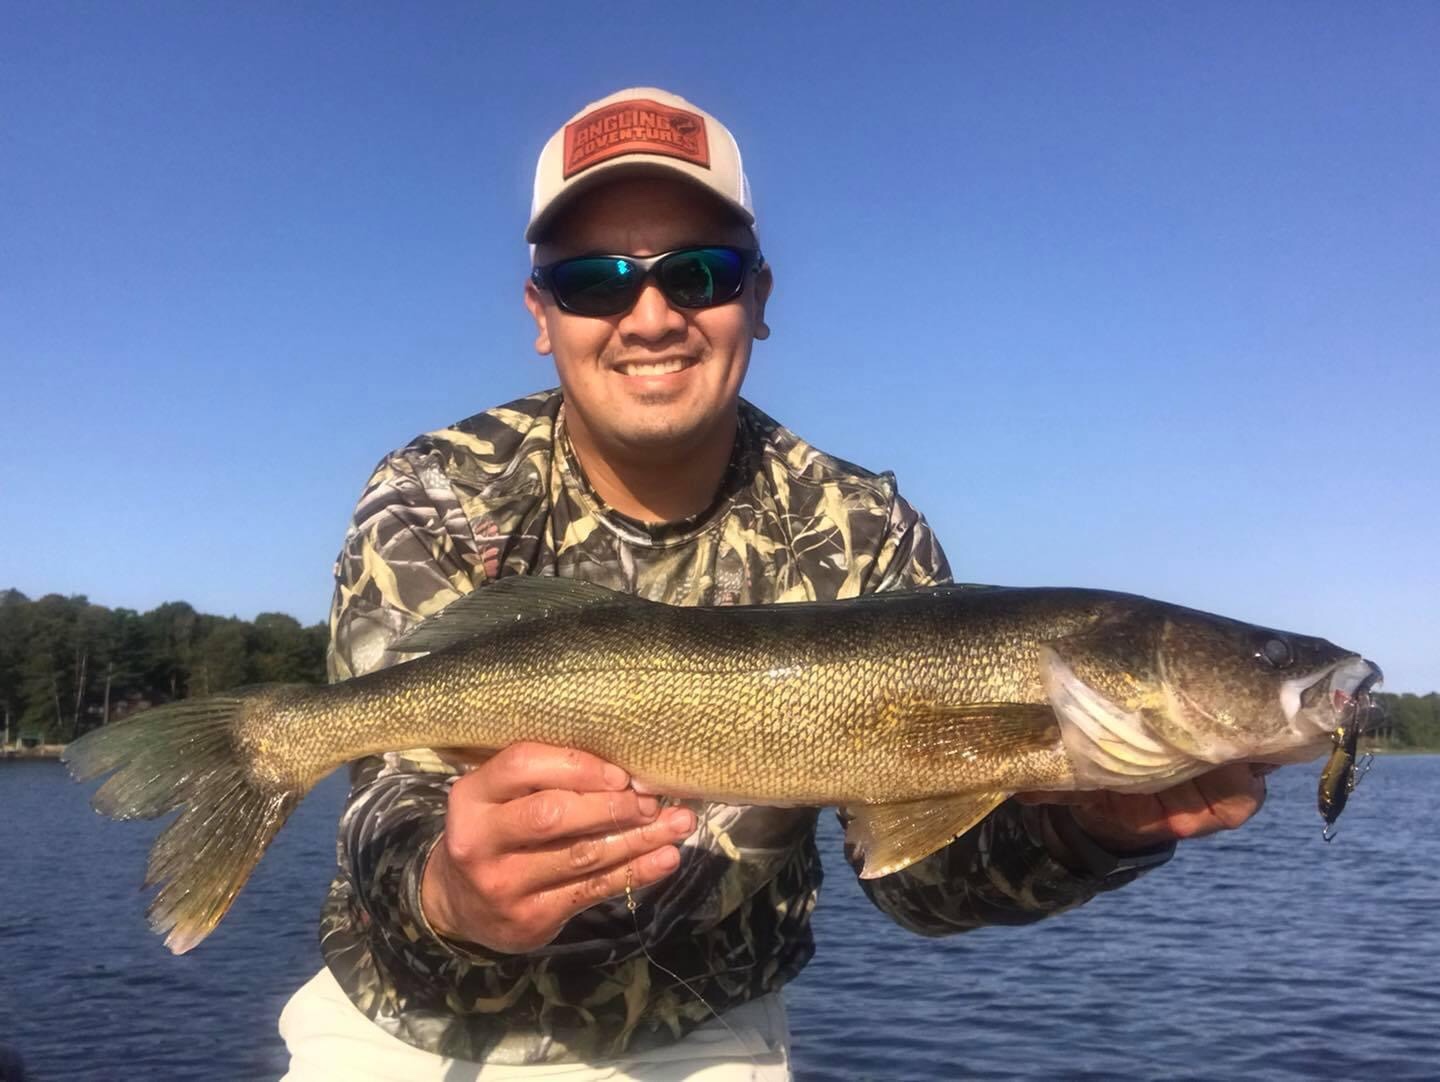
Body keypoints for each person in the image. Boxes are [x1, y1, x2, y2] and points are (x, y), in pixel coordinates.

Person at [279, 88, 1266, 1081]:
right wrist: (450, 893)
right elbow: (386, 807)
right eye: (595, 282)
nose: (652, 316)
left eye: (700, 272)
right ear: (543, 314)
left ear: (758, 295)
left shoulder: (861, 529)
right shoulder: (438, 492)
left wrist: (1087, 826)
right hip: (406, 1027)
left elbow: (919, 882)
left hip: (704, 1034)